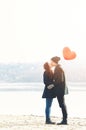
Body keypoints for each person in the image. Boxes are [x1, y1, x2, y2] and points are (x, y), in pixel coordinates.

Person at [50, 56, 68, 125]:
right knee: (62, 104)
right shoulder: (58, 68)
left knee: (62, 104)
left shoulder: (58, 69)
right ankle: (64, 119)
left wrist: (53, 84)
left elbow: (60, 80)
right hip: (60, 89)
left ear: (54, 62)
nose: (51, 62)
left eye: (51, 61)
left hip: (60, 89)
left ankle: (64, 120)